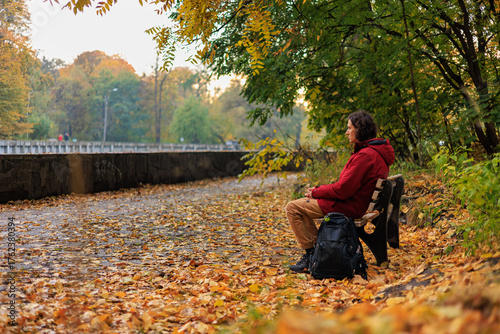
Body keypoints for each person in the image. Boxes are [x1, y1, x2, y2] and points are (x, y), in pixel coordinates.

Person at [285, 110, 395, 273]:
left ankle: (313, 255)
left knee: (293, 208)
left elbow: (343, 189)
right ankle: (317, 252)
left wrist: (316, 192)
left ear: (360, 129)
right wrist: (318, 192)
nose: (347, 132)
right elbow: (346, 186)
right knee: (299, 205)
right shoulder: (373, 152)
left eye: (349, 128)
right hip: (354, 202)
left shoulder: (366, 155)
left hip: (349, 205)